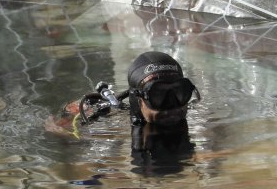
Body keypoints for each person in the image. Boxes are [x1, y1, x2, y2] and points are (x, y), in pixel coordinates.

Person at [48, 51, 200, 166]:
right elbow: (55, 127)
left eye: (180, 92)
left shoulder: (199, 120)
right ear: (137, 99)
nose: (172, 105)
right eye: (158, 95)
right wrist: (64, 134)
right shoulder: (113, 127)